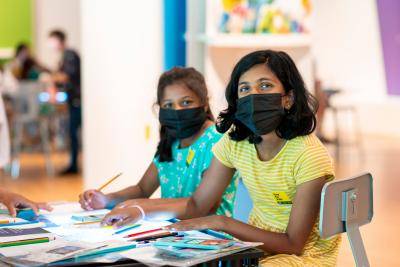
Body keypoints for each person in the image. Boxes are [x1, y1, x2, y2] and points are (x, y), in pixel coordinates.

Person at [102, 50, 341, 266]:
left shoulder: (309, 155)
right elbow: (197, 205)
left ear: (288, 98)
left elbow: (293, 244)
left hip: (305, 256)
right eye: (245, 89)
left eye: (265, 86)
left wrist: (222, 223)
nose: (253, 95)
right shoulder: (235, 143)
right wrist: (140, 210)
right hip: (253, 248)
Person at [79, 67, 237, 226]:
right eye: (169, 105)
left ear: (204, 104)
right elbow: (142, 189)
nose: (177, 111)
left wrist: (141, 209)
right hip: (174, 235)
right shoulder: (171, 143)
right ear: (159, 108)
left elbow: (202, 206)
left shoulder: (217, 142)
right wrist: (106, 199)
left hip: (213, 238)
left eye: (186, 102)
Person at [48, 30, 81, 175]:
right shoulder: (65, 56)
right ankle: (72, 164)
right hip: (73, 100)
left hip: (77, 101)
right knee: (71, 133)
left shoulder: (70, 55)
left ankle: (73, 165)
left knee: (73, 132)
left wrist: (51, 78)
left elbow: (65, 76)